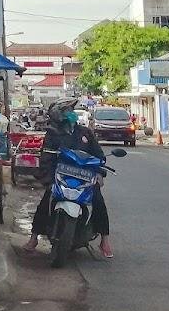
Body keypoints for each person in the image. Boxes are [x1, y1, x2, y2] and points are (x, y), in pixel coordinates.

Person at [23, 98, 113, 259]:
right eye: (68, 111)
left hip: (84, 178)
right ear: (59, 115)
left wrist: (99, 173)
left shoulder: (85, 133)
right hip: (61, 177)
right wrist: (48, 178)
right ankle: (34, 238)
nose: (72, 114)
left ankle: (105, 240)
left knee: (98, 201)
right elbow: (46, 157)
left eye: (72, 111)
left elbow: (99, 155)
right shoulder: (53, 134)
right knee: (45, 201)